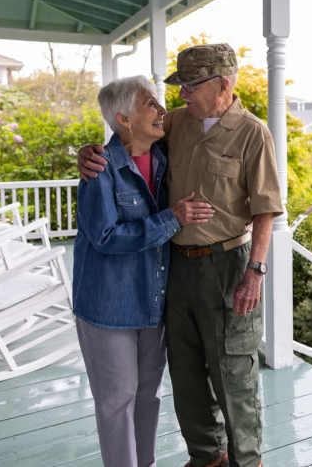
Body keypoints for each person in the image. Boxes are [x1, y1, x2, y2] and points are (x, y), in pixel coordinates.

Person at [79, 44, 283, 467]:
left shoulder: (253, 133)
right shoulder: (177, 124)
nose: (180, 94)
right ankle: (207, 456)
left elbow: (266, 210)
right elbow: (125, 133)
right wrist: (88, 153)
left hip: (226, 265)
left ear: (224, 84)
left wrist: (256, 272)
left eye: (191, 85)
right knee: (186, 371)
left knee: (233, 374)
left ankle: (247, 460)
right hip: (173, 267)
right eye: (179, 86)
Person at [73, 75, 214, 467]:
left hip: (152, 302)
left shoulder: (165, 158)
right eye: (150, 103)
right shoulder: (100, 168)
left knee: (148, 394)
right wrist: (173, 218)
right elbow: (105, 236)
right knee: (117, 400)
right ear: (124, 118)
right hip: (108, 305)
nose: (160, 110)